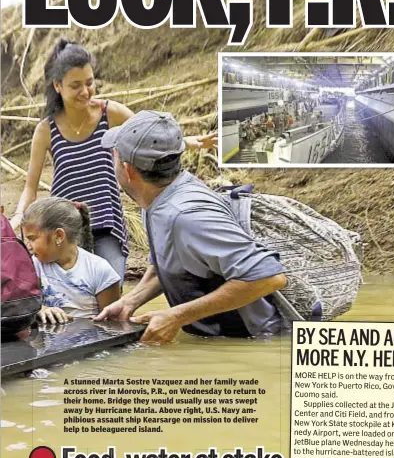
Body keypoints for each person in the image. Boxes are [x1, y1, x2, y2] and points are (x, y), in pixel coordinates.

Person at [10, 39, 217, 281]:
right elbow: (30, 188)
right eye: (75, 85)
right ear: (58, 86)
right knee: (73, 299)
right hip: (64, 230)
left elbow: (151, 135)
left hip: (107, 222)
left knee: (111, 293)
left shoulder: (110, 113)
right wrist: (17, 217)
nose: (85, 91)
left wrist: (190, 141)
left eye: (89, 83)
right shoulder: (46, 130)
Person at [93, 110, 287, 344]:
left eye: (113, 156)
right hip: (218, 338)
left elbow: (269, 277)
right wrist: (130, 301)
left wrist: (176, 316)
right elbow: (173, 263)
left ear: (128, 170)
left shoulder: (185, 216)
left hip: (253, 341)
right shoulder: (154, 199)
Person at [22, 197, 121, 323]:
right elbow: (22, 306)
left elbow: (114, 323)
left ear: (59, 236)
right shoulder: (33, 266)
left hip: (90, 340)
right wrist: (40, 309)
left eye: (32, 238)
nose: (28, 245)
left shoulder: (99, 270)